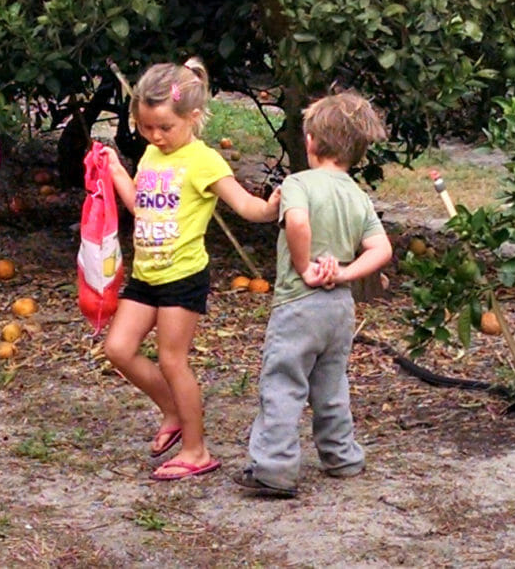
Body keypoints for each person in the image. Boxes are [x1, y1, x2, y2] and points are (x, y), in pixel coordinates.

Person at [104, 58, 279, 481]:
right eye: (147, 128)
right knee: (118, 349)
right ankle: (171, 408)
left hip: (182, 278)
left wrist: (272, 206)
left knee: (172, 358)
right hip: (146, 274)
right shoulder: (150, 155)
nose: (155, 136)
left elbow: (244, 205)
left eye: (165, 127)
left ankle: (197, 450)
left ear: (193, 118)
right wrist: (115, 171)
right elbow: (140, 207)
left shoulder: (203, 161)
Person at [236, 91, 392, 497]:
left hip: (298, 304)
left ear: (311, 142)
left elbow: (298, 225)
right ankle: (342, 457)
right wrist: (342, 273)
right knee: (331, 384)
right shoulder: (357, 195)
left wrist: (306, 267)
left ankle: (275, 467)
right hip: (339, 309)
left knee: (284, 383)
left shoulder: (298, 183)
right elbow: (381, 249)